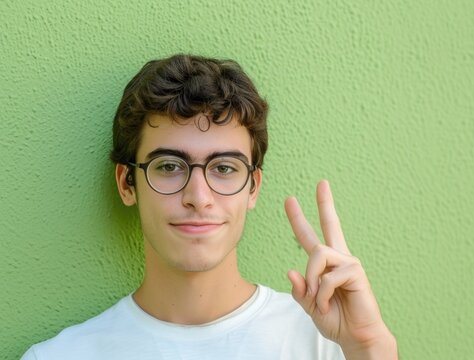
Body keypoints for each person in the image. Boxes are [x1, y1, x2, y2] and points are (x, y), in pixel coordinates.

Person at [22, 54, 397, 359]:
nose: (199, 197)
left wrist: (370, 347)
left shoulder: (328, 343)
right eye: (168, 166)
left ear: (253, 187)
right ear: (127, 183)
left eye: (224, 168)